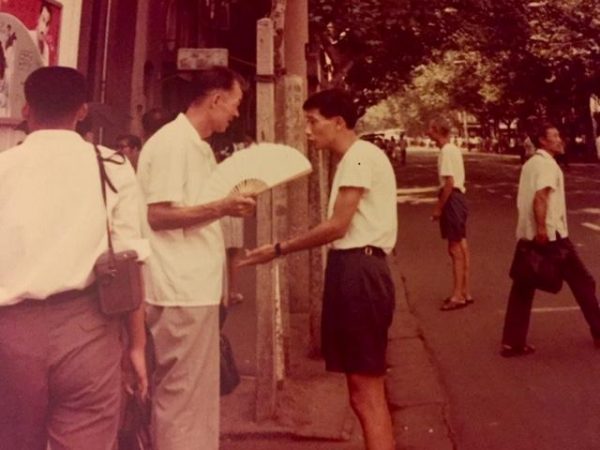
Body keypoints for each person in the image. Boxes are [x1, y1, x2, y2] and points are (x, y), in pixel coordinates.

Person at [240, 89, 397, 450]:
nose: (308, 131)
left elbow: (337, 226)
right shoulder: (359, 157)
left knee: (366, 392)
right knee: (363, 391)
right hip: (354, 269)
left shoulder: (358, 159)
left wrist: (279, 248)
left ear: (338, 122)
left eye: (313, 122)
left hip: (359, 271)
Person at [0, 66, 149, 449]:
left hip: (10, 334)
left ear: (26, 108)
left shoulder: (3, 168)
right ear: (82, 111)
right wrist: (136, 346)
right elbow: (131, 261)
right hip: (89, 330)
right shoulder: (113, 168)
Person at [136, 66, 256, 450]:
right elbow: (158, 215)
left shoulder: (194, 145)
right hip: (179, 290)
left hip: (194, 289)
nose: (236, 114)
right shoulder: (174, 144)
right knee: (181, 397)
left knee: (195, 397)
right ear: (216, 99)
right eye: (234, 105)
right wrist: (222, 207)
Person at [500, 122, 600, 357]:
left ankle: (512, 342)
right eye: (554, 136)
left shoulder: (531, 163)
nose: (559, 139)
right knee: (583, 282)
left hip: (529, 235)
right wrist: (543, 228)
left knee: (523, 287)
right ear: (543, 141)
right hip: (552, 238)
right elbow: (540, 198)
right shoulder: (546, 165)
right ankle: (598, 331)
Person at [427, 116, 473, 310]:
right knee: (462, 245)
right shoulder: (452, 149)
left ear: (437, 130)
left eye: (430, 128)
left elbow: (449, 183)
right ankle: (464, 291)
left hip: (452, 200)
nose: (427, 132)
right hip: (459, 199)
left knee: (454, 249)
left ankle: (457, 296)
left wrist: (438, 207)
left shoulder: (446, 151)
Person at [29, 1, 52, 66]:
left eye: (47, 24)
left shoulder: (46, 49)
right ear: (38, 18)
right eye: (43, 19)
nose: (44, 26)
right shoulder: (28, 36)